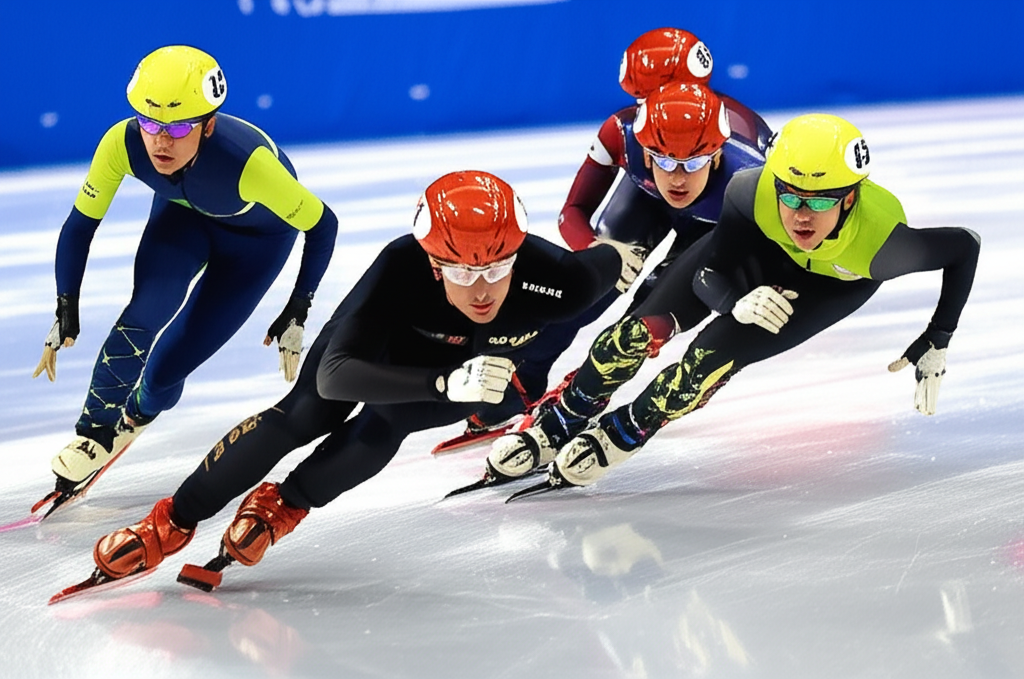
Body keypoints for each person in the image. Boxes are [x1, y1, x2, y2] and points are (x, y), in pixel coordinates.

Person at [75, 170, 641, 592]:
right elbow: (336, 373)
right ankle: (171, 522)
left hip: (470, 374)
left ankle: (282, 507)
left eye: (496, 268)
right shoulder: (400, 268)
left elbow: (604, 263)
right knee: (306, 413)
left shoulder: (558, 281)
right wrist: (445, 381)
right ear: (434, 261)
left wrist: (619, 254)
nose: (482, 289)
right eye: (463, 271)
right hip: (387, 353)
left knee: (383, 426)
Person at [476, 113, 980, 496]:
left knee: (700, 367)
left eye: (822, 200)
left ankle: (626, 429)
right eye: (791, 193)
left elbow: (965, 245)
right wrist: (736, 299)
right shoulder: (750, 191)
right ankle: (565, 415)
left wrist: (938, 338)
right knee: (627, 338)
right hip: (751, 259)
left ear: (850, 198)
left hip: (827, 285)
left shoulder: (885, 247)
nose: (802, 214)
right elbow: (710, 270)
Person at [29, 45, 339, 516]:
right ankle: (93, 434)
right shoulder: (122, 142)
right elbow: (79, 226)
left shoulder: (249, 166)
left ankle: (138, 411)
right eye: (150, 124)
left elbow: (323, 225)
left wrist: (298, 307)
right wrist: (65, 304)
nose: (160, 142)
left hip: (254, 247)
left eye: (177, 128)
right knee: (144, 312)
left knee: (166, 371)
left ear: (208, 124)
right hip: (182, 222)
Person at [453, 28, 772, 445]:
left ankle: (584, 392)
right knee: (585, 289)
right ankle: (523, 383)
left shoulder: (748, 167)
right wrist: (597, 252)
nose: (666, 122)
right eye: (648, 106)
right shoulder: (621, 132)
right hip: (648, 199)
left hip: (713, 220)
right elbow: (573, 213)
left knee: (646, 315)